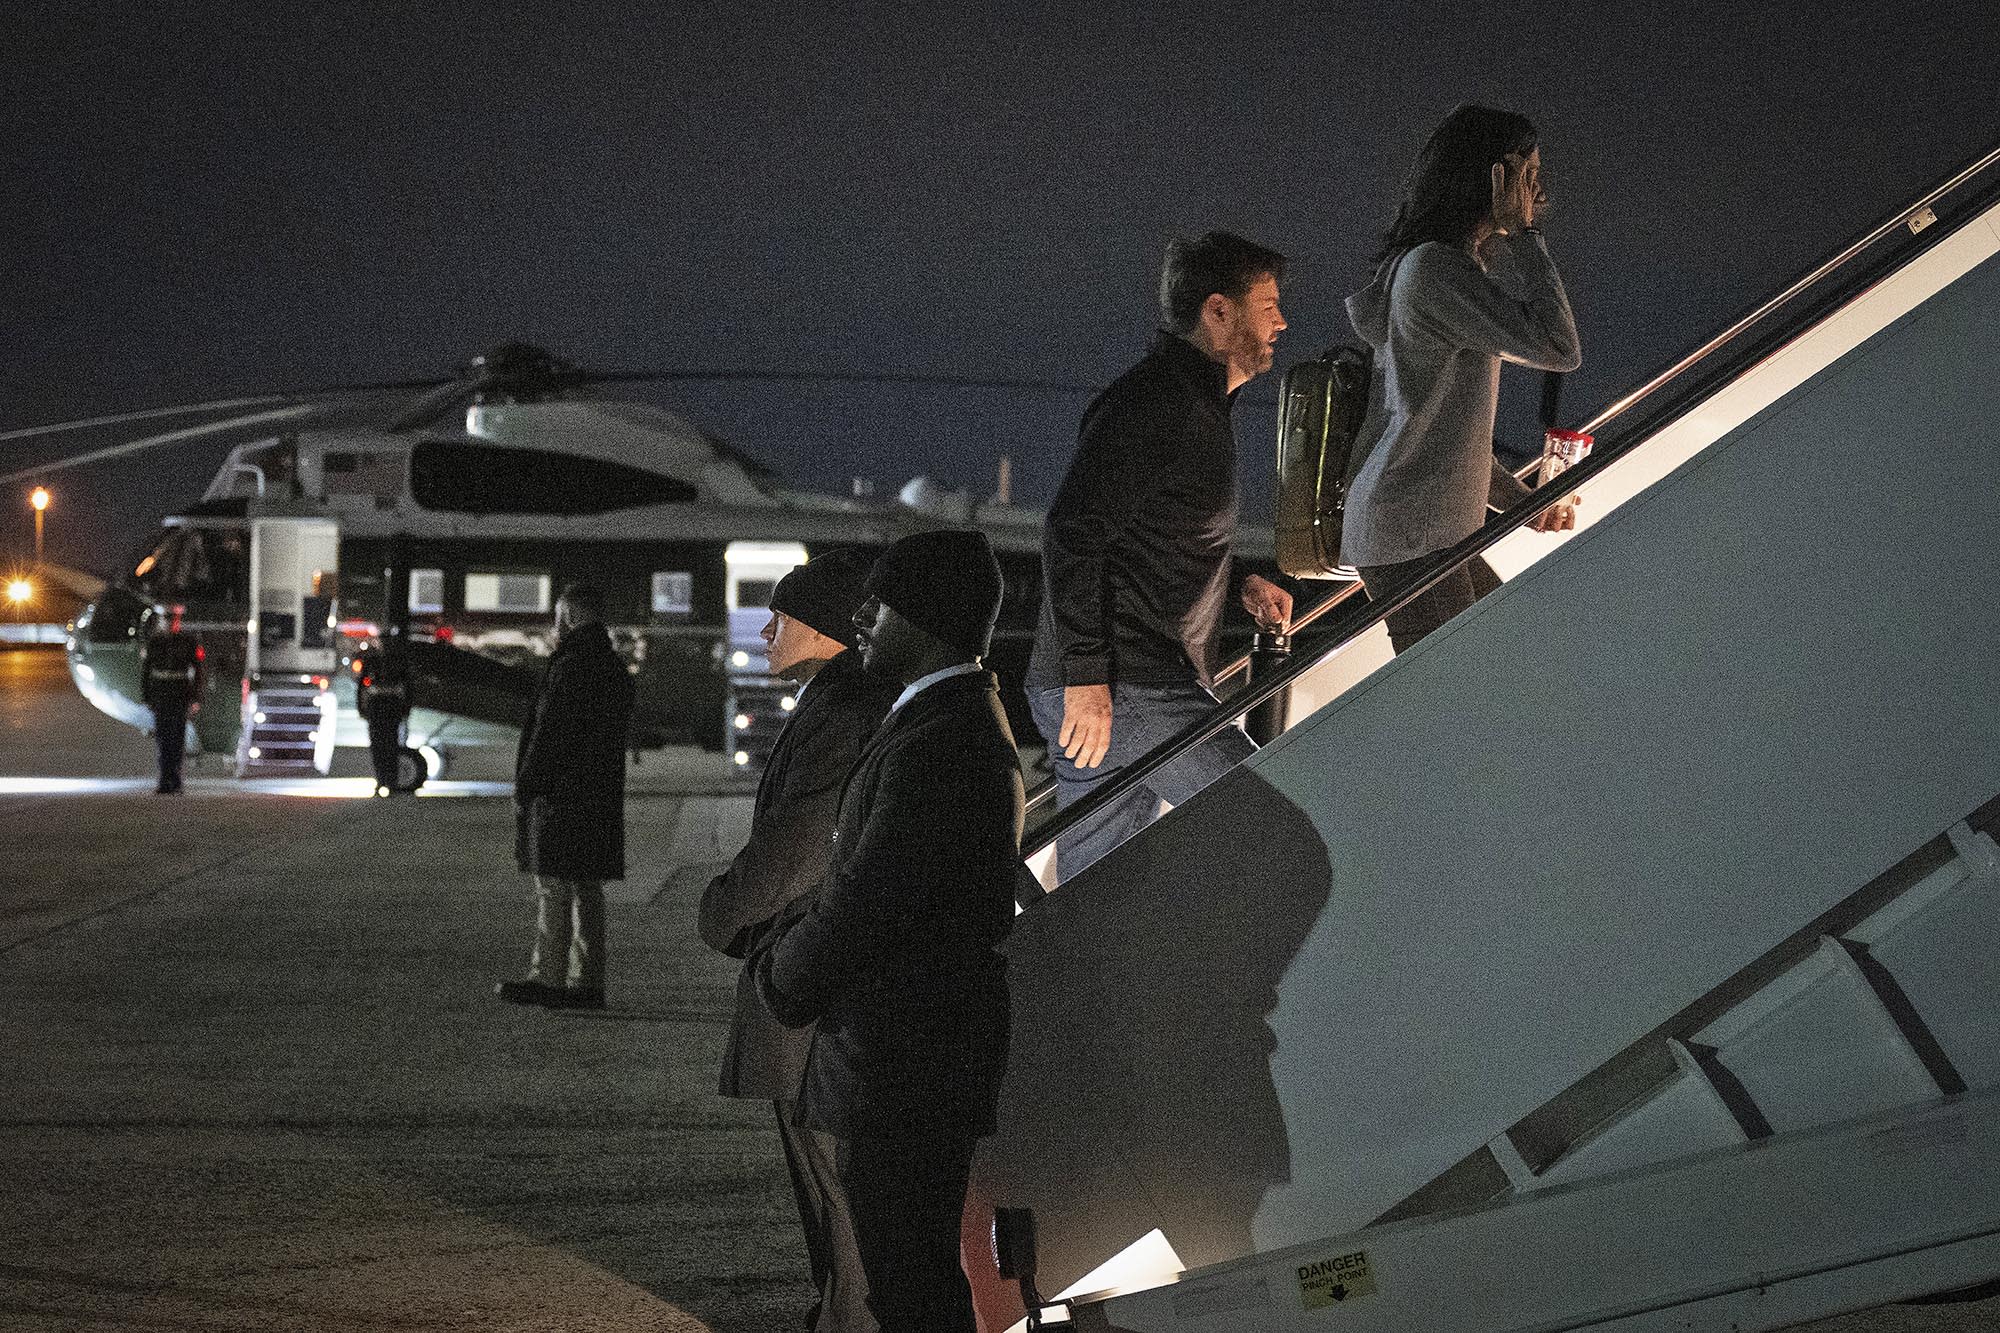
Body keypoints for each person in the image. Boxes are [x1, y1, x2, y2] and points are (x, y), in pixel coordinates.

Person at [753, 529, 1023, 1333]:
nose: (862, 616)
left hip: (905, 1060)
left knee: (910, 1286)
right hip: (912, 1054)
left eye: (882, 603)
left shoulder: (942, 737)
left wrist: (780, 973)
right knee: (911, 1277)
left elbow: (871, 897)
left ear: (927, 618)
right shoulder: (949, 716)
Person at [1026, 230, 1295, 881]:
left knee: (1100, 896)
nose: (1282, 322)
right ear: (1219, 311)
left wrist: (1238, 586)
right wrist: (1087, 675)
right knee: (1281, 835)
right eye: (1268, 305)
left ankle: (1087, 983)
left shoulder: (1194, 406)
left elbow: (1149, 541)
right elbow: (1072, 532)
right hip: (1125, 685)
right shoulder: (1159, 404)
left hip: (1120, 684)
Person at [698, 547, 897, 1333]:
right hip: (808, 964)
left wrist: (722, 909)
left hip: (811, 973)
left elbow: (799, 840)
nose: (768, 626)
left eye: (785, 614)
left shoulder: (845, 711)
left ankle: (850, 1319)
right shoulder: (843, 700)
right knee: (824, 1175)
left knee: (833, 1176)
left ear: (828, 629)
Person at [1341, 104, 1583, 653]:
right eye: (1529, 176)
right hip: (1413, 530)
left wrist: (1525, 503)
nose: (1538, 194)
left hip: (1422, 527)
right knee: (1458, 687)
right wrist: (1525, 238)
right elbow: (1559, 347)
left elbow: (1451, 438)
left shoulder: (1434, 267)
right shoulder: (1434, 270)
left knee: (1494, 661)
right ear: (1493, 178)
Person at [497, 582, 634, 1011]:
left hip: (562, 796)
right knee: (587, 889)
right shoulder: (614, 670)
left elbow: (549, 734)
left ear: (569, 617)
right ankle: (588, 981)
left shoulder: (569, 666)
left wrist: (527, 784)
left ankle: (549, 978)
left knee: (553, 888)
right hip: (599, 796)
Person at [140, 605, 203, 794]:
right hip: (161, 694)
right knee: (163, 739)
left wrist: (195, 698)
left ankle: (175, 780)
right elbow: (146, 671)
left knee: (177, 739)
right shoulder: (155, 642)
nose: (170, 623)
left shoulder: (188, 641)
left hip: (179, 693)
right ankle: (164, 779)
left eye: (173, 620)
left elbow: (198, 671)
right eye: (167, 620)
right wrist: (147, 697)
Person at [355, 634, 413, 794]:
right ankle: (381, 780)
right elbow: (361, 686)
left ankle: (391, 781)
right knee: (378, 746)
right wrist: (361, 707)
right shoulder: (372, 661)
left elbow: (407, 687)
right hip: (377, 707)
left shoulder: (398, 662)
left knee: (390, 745)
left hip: (391, 706)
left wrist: (405, 709)